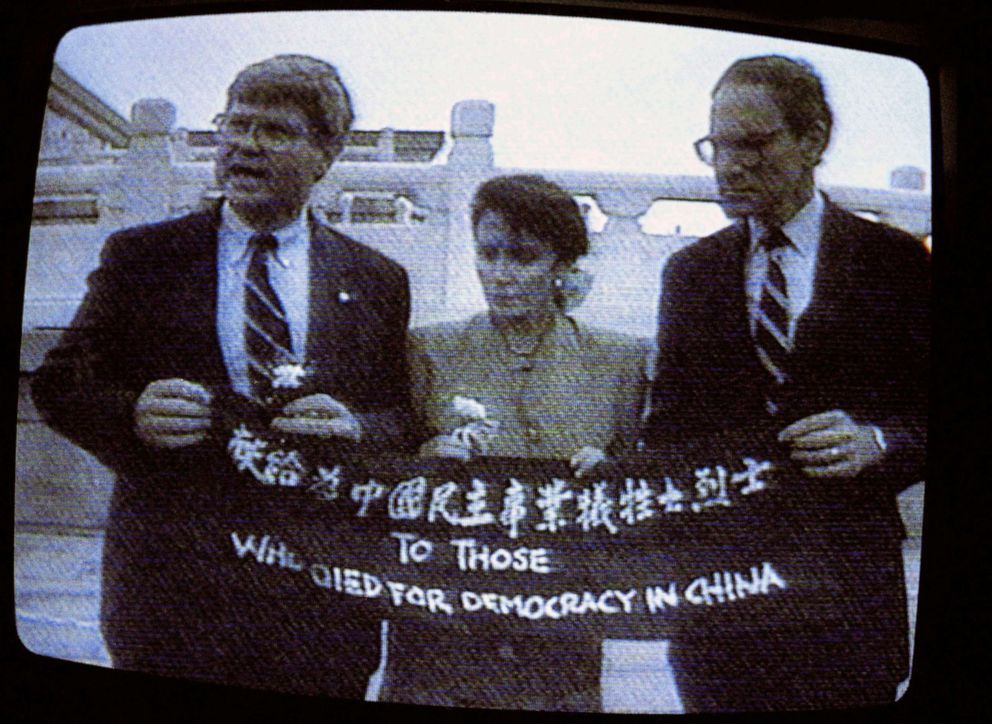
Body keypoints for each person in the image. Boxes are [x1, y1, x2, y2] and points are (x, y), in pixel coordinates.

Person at [30, 55, 411, 698]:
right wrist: (132, 414)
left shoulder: (376, 279)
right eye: (236, 125)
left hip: (316, 600)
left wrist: (357, 427)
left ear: (326, 154)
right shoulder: (145, 256)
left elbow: (401, 415)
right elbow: (58, 384)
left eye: (276, 131)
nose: (245, 147)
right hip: (173, 593)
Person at [642, 55, 930, 711]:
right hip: (722, 613)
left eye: (753, 143)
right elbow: (669, 431)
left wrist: (880, 443)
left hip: (847, 608)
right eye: (717, 145)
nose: (729, 165)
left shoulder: (894, 262)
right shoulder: (690, 273)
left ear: (813, 140)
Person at [380, 174, 650, 711]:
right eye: (489, 254)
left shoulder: (618, 360)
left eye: (523, 257)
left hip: (560, 629)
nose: (500, 274)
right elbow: (380, 477)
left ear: (562, 266)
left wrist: (611, 474)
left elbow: (639, 488)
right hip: (443, 626)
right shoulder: (429, 350)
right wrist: (425, 461)